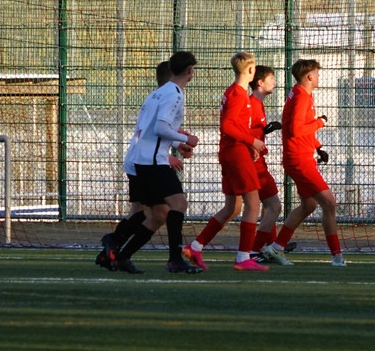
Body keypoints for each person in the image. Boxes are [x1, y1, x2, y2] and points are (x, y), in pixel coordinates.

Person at [111, 51, 202, 274]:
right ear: (190, 71)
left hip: (142, 159)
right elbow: (160, 127)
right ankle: (174, 259)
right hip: (153, 161)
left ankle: (120, 255)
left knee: (157, 214)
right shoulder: (174, 94)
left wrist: (176, 143)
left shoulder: (158, 92)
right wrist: (185, 139)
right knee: (178, 204)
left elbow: (151, 127)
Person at [184, 52, 268, 271]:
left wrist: (250, 145)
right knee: (253, 204)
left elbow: (235, 126)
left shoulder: (233, 91)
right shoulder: (239, 95)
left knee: (233, 207)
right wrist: (251, 140)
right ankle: (243, 257)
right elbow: (228, 126)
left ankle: (195, 246)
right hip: (235, 153)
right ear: (250, 70)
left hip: (231, 151)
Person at [261, 59, 345, 267]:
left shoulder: (301, 94)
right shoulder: (301, 97)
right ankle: (337, 256)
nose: (319, 77)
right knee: (329, 203)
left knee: (309, 205)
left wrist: (317, 146)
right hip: (299, 160)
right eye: (317, 73)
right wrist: (320, 122)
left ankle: (276, 247)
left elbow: (298, 127)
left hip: (301, 157)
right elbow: (297, 130)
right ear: (309, 76)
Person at [246, 66, 284, 258]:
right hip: (254, 164)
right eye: (271, 78)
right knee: (274, 206)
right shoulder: (251, 103)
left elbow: (252, 130)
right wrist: (254, 143)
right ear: (260, 82)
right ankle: (255, 249)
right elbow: (242, 131)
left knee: (268, 206)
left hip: (257, 161)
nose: (274, 82)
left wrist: (264, 131)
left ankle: (267, 245)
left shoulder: (257, 104)